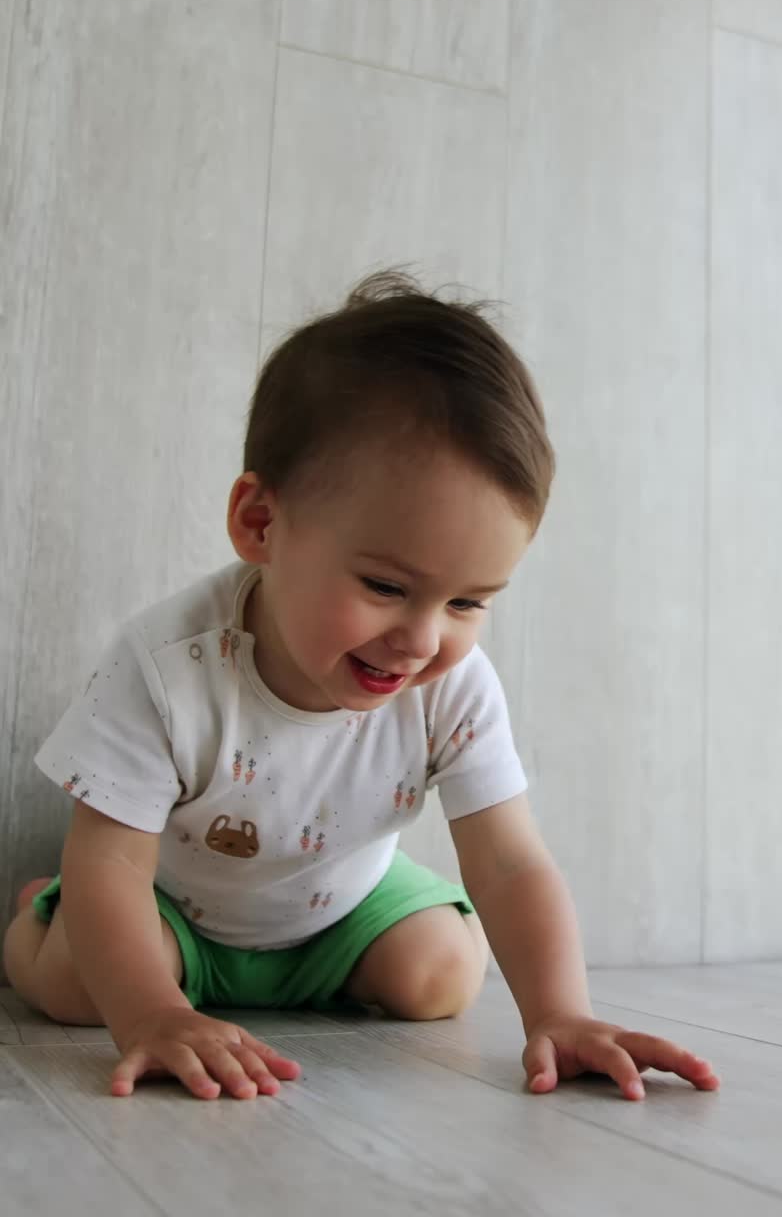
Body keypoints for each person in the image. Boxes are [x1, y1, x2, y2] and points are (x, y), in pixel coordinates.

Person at [2, 269, 720, 1104]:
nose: (421, 640)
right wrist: (154, 1014)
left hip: (339, 913)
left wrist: (561, 1012)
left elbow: (510, 860)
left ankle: (289, 983)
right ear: (261, 524)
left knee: (444, 971)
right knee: (80, 989)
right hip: (177, 912)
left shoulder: (452, 689)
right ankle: (33, 921)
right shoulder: (168, 667)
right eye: (385, 587)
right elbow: (114, 863)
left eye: (467, 602)